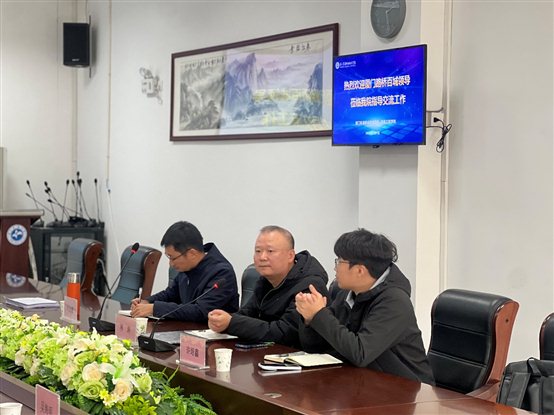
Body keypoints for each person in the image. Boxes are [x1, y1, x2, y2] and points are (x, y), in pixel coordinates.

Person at [295, 229, 434, 384]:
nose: (335, 268)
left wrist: (320, 314)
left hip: (407, 388)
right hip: (363, 381)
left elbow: (360, 354)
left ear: (360, 270)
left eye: (339, 261)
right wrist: (310, 318)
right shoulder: (347, 292)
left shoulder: (394, 302)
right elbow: (316, 346)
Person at [208, 225, 328, 348]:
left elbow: (286, 333)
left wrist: (232, 323)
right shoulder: (265, 280)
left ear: (290, 256)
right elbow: (249, 312)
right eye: (258, 251)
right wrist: (223, 320)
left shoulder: (309, 286)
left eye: (270, 251)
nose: (262, 257)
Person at [130, 221, 239, 322]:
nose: (171, 264)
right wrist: (147, 302)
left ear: (192, 253)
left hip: (215, 334)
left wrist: (154, 308)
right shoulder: (188, 267)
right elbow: (171, 294)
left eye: (173, 258)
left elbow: (201, 312)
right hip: (186, 329)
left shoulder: (222, 273)